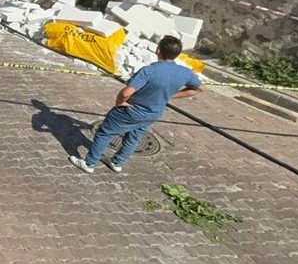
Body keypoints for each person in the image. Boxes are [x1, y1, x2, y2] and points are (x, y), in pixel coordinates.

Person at [70, 35, 203, 174]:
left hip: (131, 111)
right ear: (177, 54)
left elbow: (126, 92)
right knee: (134, 137)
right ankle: (117, 162)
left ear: (158, 50)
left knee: (104, 133)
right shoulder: (185, 73)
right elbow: (198, 89)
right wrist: (170, 96)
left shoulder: (149, 71)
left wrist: (119, 103)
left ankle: (89, 163)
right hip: (153, 113)